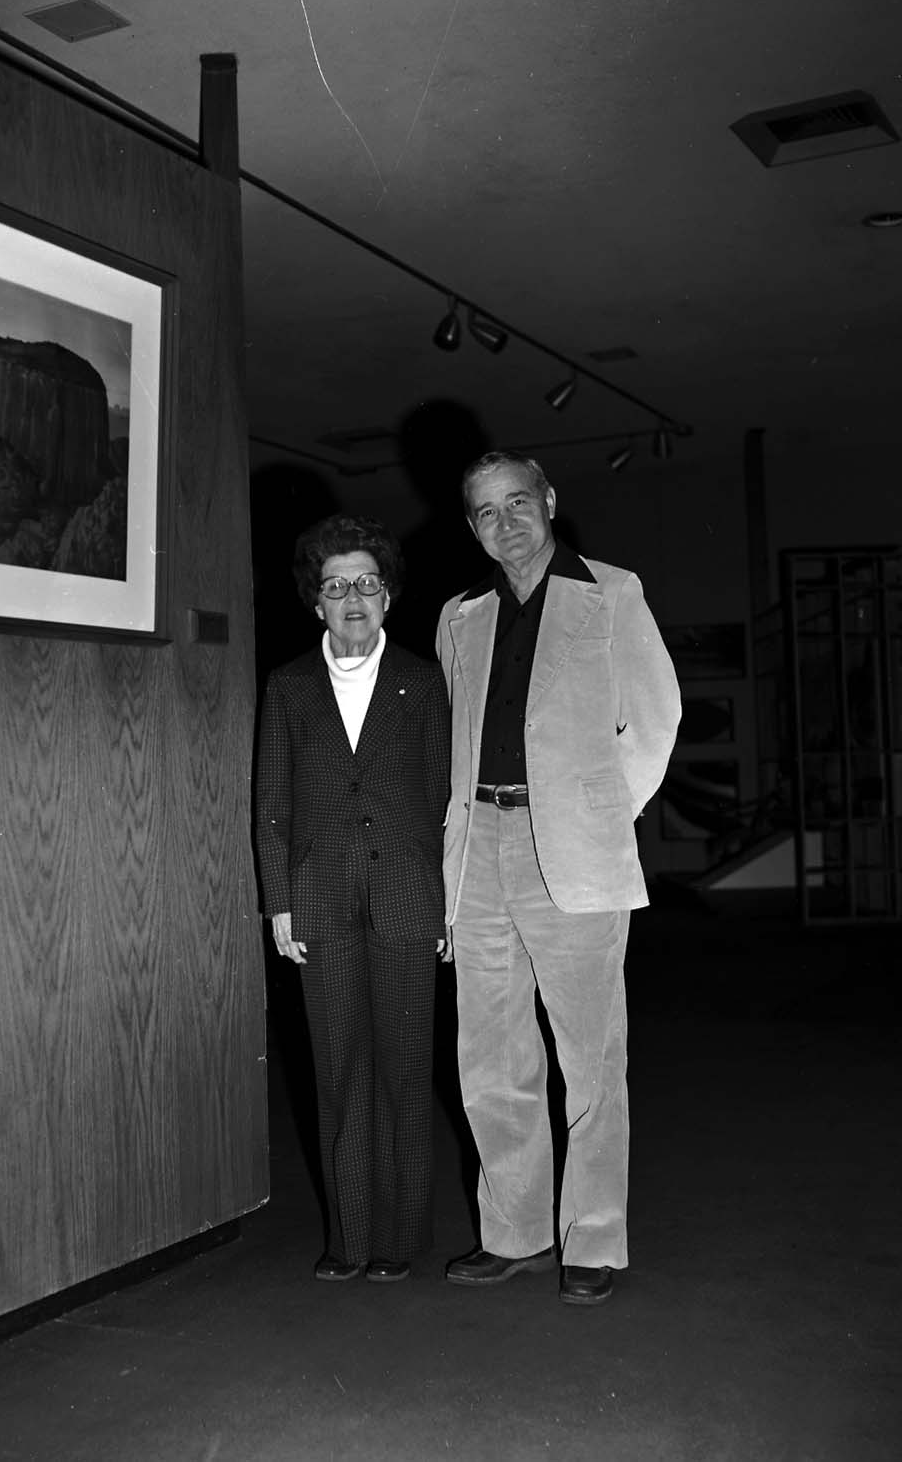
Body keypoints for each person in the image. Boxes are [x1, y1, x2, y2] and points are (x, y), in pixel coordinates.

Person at [436, 452, 680, 1306]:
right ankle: (514, 1229)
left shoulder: (611, 593)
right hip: (479, 850)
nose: (505, 522)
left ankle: (596, 1238)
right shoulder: (459, 614)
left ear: (548, 500)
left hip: (571, 849)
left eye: (517, 502)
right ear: (471, 526)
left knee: (590, 1055)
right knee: (491, 1056)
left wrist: (597, 812)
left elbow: (655, 721)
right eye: (485, 511)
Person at [255, 514, 450, 1283]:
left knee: (405, 1073)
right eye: (336, 587)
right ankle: (350, 1240)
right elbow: (269, 804)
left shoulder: (424, 680)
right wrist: (279, 903)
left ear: (389, 596)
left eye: (367, 583)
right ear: (317, 604)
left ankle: (400, 1243)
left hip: (407, 900)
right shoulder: (288, 686)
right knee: (339, 1075)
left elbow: (441, 800)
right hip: (321, 904)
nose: (353, 598)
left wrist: (447, 906)